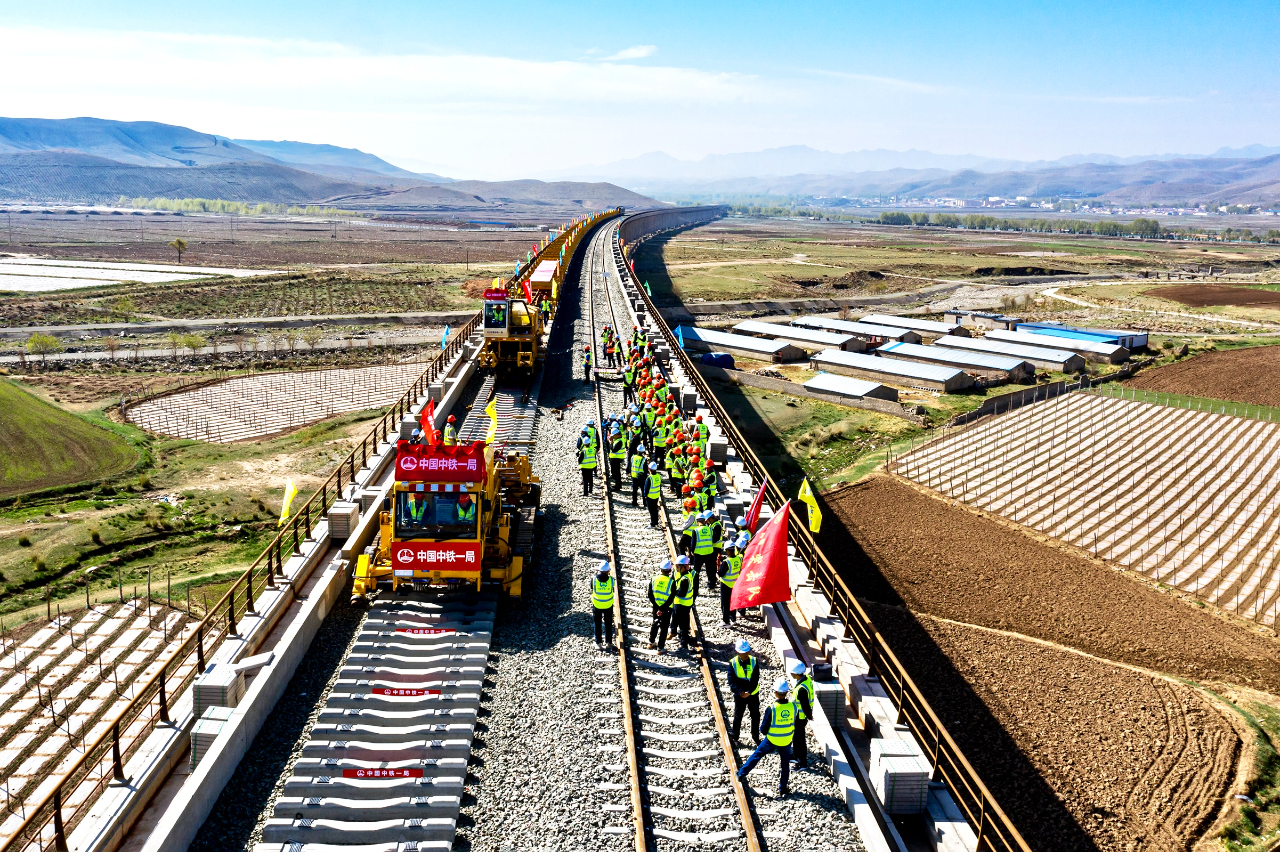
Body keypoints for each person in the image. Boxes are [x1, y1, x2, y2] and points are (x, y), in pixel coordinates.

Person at [737, 679, 796, 796]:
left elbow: (763, 729)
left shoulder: (772, 708)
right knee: (785, 765)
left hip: (772, 739)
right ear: (786, 692)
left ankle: (741, 774)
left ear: (775, 693)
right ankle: (783, 788)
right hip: (786, 740)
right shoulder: (793, 707)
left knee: (757, 755)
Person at [728, 639, 761, 746]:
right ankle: (735, 737)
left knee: (755, 716)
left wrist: (749, 692)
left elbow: (755, 678)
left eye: (747, 652)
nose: (745, 654)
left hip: (752, 694)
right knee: (738, 716)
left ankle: (755, 736)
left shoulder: (754, 661)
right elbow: (731, 680)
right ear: (738, 653)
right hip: (740, 695)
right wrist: (740, 691)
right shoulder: (733, 663)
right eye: (743, 653)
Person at [789, 660, 814, 769]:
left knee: (799, 740)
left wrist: (809, 716)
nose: (791, 674)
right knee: (796, 737)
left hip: (800, 717)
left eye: (792, 673)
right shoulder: (806, 680)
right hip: (800, 716)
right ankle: (795, 755)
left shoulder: (801, 689)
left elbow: (805, 705)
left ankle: (801, 762)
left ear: (796, 674)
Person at [647, 560, 674, 650]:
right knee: (664, 627)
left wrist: (657, 607)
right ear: (670, 571)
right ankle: (660, 647)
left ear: (661, 569)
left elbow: (650, 594)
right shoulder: (672, 582)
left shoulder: (654, 579)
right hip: (667, 609)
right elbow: (671, 597)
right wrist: (662, 608)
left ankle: (651, 642)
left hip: (655, 607)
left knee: (655, 623)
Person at [671, 560, 694, 651]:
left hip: (682, 605)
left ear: (683, 567)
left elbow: (682, 593)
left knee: (683, 625)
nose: (676, 568)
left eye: (677, 566)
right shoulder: (685, 575)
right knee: (681, 623)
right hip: (682, 604)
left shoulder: (685, 579)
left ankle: (683, 644)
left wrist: (673, 592)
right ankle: (678, 635)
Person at [719, 538, 743, 628]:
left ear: (727, 550)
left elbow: (720, 573)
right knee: (733, 602)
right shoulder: (739, 558)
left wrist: (718, 569)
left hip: (726, 585)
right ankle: (733, 618)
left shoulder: (726, 562)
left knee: (725, 604)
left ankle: (726, 621)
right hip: (735, 584)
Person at [591, 562, 616, 648]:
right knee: (608, 624)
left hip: (597, 605)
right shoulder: (611, 580)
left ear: (599, 570)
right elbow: (613, 589)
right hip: (608, 605)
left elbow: (592, 588)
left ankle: (598, 643)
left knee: (597, 624)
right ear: (608, 570)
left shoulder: (594, 579)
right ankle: (609, 642)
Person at [644, 461, 662, 528]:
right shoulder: (659, 476)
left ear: (649, 469)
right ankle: (656, 522)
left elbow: (646, 488)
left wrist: (645, 495)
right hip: (656, 495)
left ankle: (652, 524)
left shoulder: (649, 478)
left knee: (651, 510)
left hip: (650, 496)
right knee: (655, 509)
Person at [607, 427, 625, 491]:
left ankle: (617, 486)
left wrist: (610, 442)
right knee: (616, 472)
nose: (613, 437)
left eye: (613, 436)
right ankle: (617, 485)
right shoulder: (618, 440)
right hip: (615, 458)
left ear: (617, 435)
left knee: (617, 473)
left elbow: (614, 450)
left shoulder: (619, 441)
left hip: (616, 458)